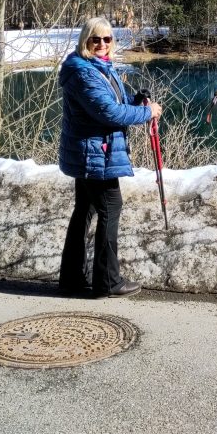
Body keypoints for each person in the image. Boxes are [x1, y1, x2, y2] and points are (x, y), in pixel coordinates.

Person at [58, 16, 162, 298]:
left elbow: (116, 103)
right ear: (86, 40)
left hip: (91, 152)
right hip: (94, 154)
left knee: (85, 210)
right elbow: (108, 113)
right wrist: (147, 112)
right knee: (110, 208)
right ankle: (107, 281)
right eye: (96, 39)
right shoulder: (84, 73)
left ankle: (72, 278)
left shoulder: (99, 67)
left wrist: (136, 100)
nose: (102, 43)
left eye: (107, 39)